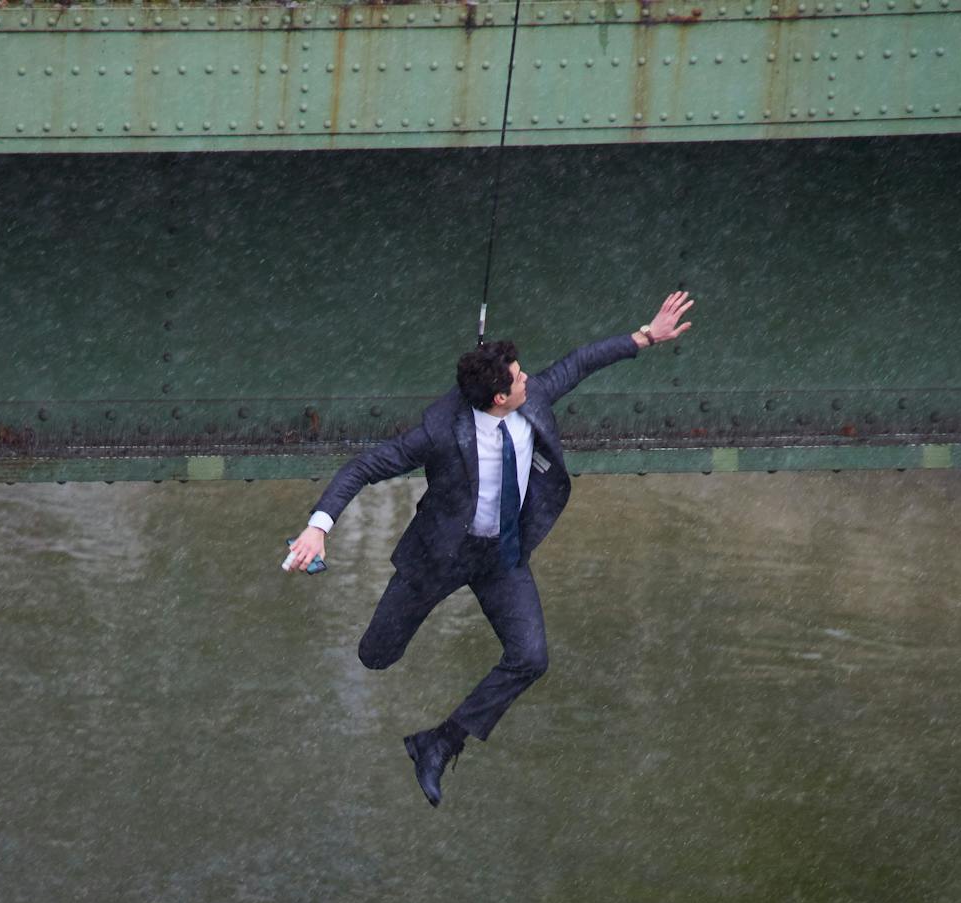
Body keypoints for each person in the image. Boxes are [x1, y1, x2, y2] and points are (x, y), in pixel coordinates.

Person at [286, 292, 695, 807]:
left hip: (501, 554)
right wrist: (319, 526)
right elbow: (363, 468)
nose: (529, 380)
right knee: (375, 656)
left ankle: (439, 743)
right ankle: (401, 652)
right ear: (498, 397)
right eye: (519, 379)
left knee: (530, 658)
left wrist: (645, 335)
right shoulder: (439, 431)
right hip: (439, 556)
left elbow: (579, 362)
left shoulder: (534, 396)